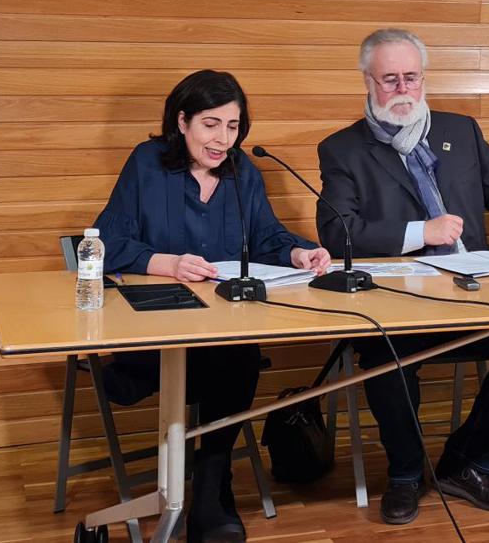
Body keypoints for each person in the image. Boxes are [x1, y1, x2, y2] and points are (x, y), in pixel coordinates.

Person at [317, 28, 489, 525]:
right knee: (383, 353)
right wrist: (418, 231)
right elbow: (339, 232)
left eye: (411, 77)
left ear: (423, 79)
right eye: (389, 80)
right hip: (397, 300)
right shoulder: (342, 150)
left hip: (476, 289)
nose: (402, 90)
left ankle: (467, 462)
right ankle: (405, 474)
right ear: (367, 81)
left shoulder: (461, 130)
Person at [95, 69, 330, 543]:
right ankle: (209, 492)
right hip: (154, 332)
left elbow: (266, 237)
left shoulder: (243, 172)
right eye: (210, 124)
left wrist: (298, 252)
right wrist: (165, 262)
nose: (223, 138)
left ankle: (208, 490)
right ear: (181, 122)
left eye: (233, 126)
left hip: (220, 333)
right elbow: (104, 242)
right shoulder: (146, 164)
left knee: (239, 355)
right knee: (232, 363)